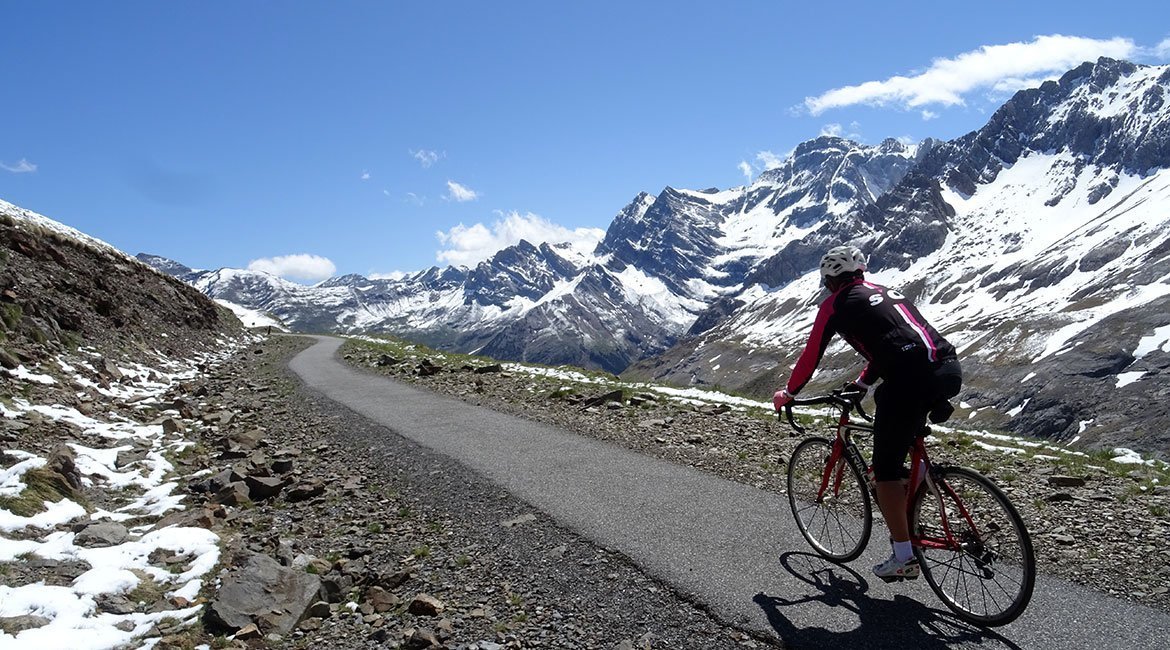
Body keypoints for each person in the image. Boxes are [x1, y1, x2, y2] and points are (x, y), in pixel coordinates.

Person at [773, 245, 962, 581]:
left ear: (829, 280)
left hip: (907, 380)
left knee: (885, 471)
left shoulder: (835, 304)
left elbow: (811, 354)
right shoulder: (888, 291)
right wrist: (862, 382)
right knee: (902, 435)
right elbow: (895, 343)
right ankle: (917, 488)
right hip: (947, 369)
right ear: (860, 272)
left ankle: (904, 556)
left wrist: (789, 393)